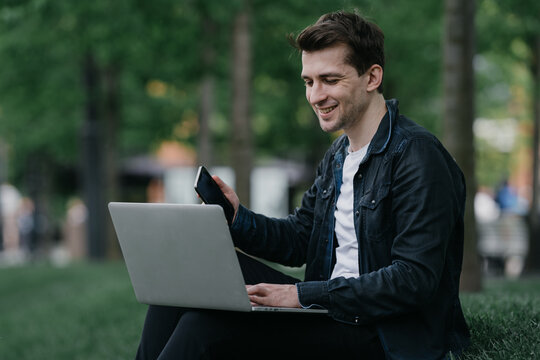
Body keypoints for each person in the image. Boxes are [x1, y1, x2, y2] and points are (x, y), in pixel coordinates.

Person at [136, 10, 470, 360]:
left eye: (330, 80)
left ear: (372, 77)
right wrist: (237, 219)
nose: (315, 96)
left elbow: (413, 280)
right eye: (309, 82)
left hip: (385, 333)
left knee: (203, 326)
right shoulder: (339, 155)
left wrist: (302, 296)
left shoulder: (417, 156)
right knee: (185, 279)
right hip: (328, 309)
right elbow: (300, 239)